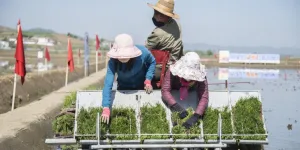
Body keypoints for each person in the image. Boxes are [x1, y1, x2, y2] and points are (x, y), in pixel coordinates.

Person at [100, 34, 156, 124]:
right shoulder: (113, 62)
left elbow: (152, 62)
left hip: (141, 88)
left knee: (144, 117)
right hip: (123, 88)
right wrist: (106, 107)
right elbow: (108, 83)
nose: (123, 58)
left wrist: (148, 79)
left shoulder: (143, 53)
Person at [161, 52, 209, 129]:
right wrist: (176, 107)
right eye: (185, 80)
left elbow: (204, 96)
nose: (188, 82)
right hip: (175, 93)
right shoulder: (172, 71)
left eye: (191, 80)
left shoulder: (202, 75)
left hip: (191, 95)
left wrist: (196, 115)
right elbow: (165, 91)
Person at [146, 0, 184, 84]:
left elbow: (145, 51)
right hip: (176, 67)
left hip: (160, 71)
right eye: (156, 12)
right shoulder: (177, 25)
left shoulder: (157, 33)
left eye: (161, 14)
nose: (158, 16)